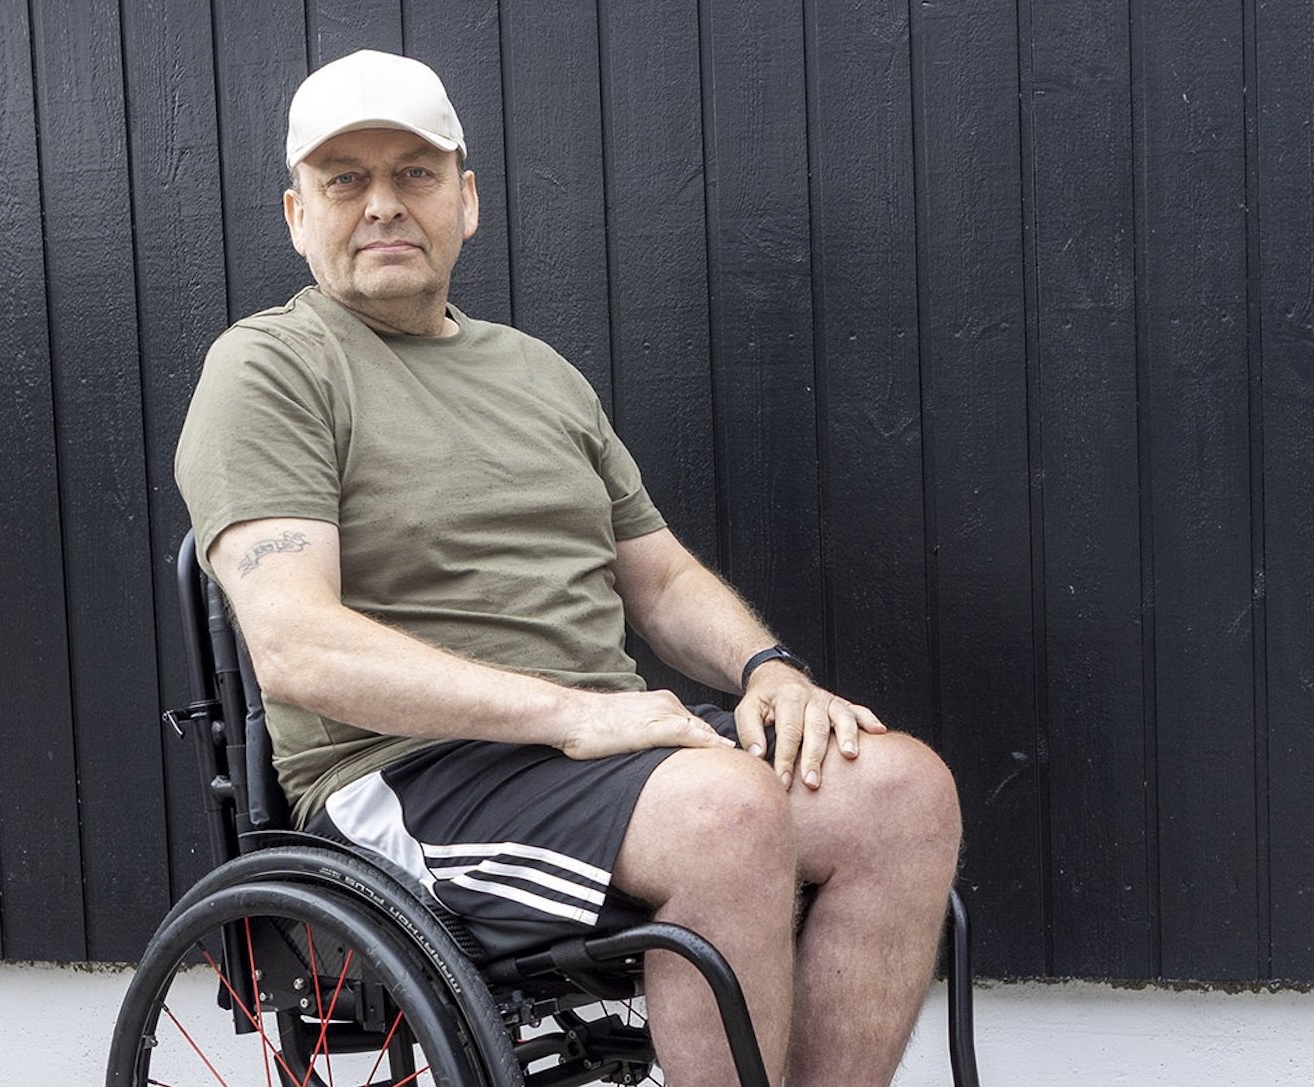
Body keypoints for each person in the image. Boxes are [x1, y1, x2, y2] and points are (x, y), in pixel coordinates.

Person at [175, 48, 962, 1087]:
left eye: (413, 174)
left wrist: (767, 669)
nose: (382, 204)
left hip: (604, 758)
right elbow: (295, 646)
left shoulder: (537, 373)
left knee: (900, 792)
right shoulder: (271, 367)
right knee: (725, 814)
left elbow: (661, 581)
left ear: (465, 201)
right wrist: (570, 713)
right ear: (296, 214)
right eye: (345, 180)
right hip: (408, 780)